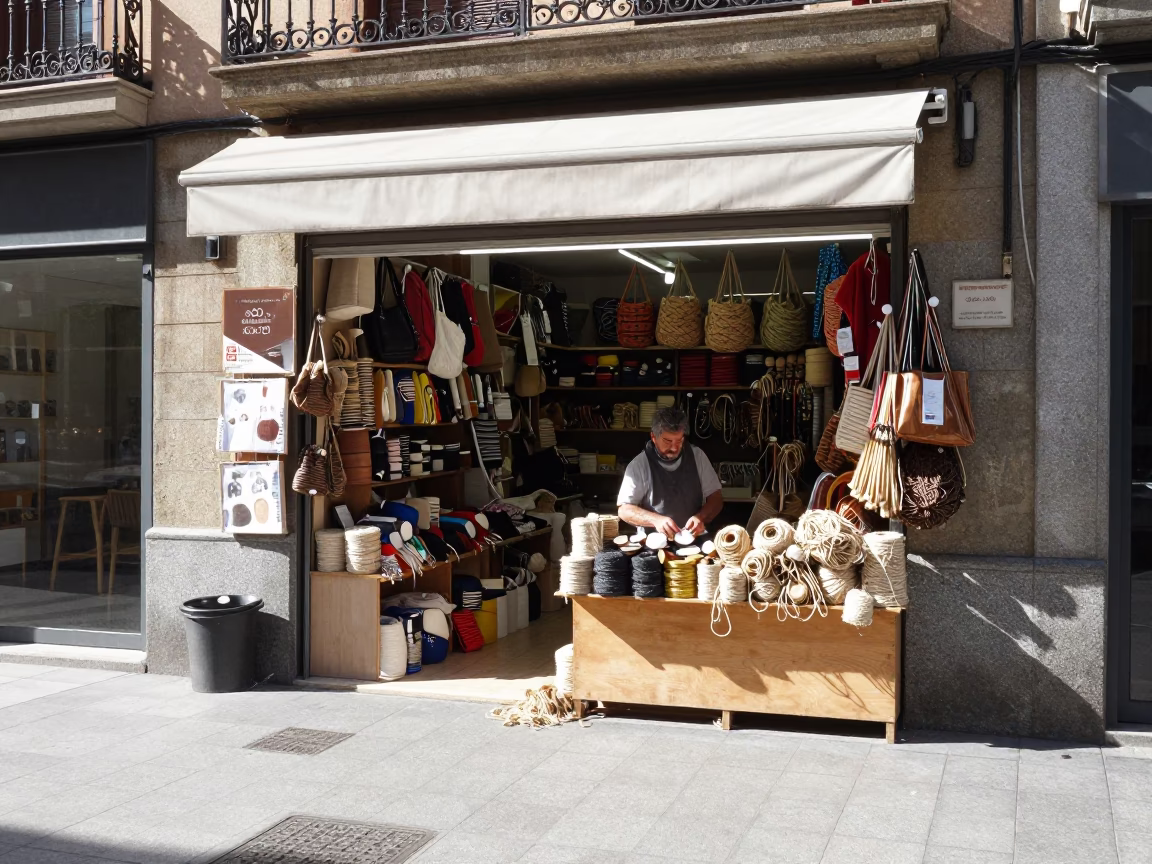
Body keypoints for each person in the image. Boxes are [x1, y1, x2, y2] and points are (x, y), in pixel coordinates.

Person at [617, 406, 723, 539]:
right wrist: (655, 520)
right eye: (667, 441)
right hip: (655, 541)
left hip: (693, 538)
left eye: (679, 440)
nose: (674, 448)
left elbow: (716, 498)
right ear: (653, 437)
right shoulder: (639, 464)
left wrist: (701, 517)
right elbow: (624, 510)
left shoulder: (698, 457)